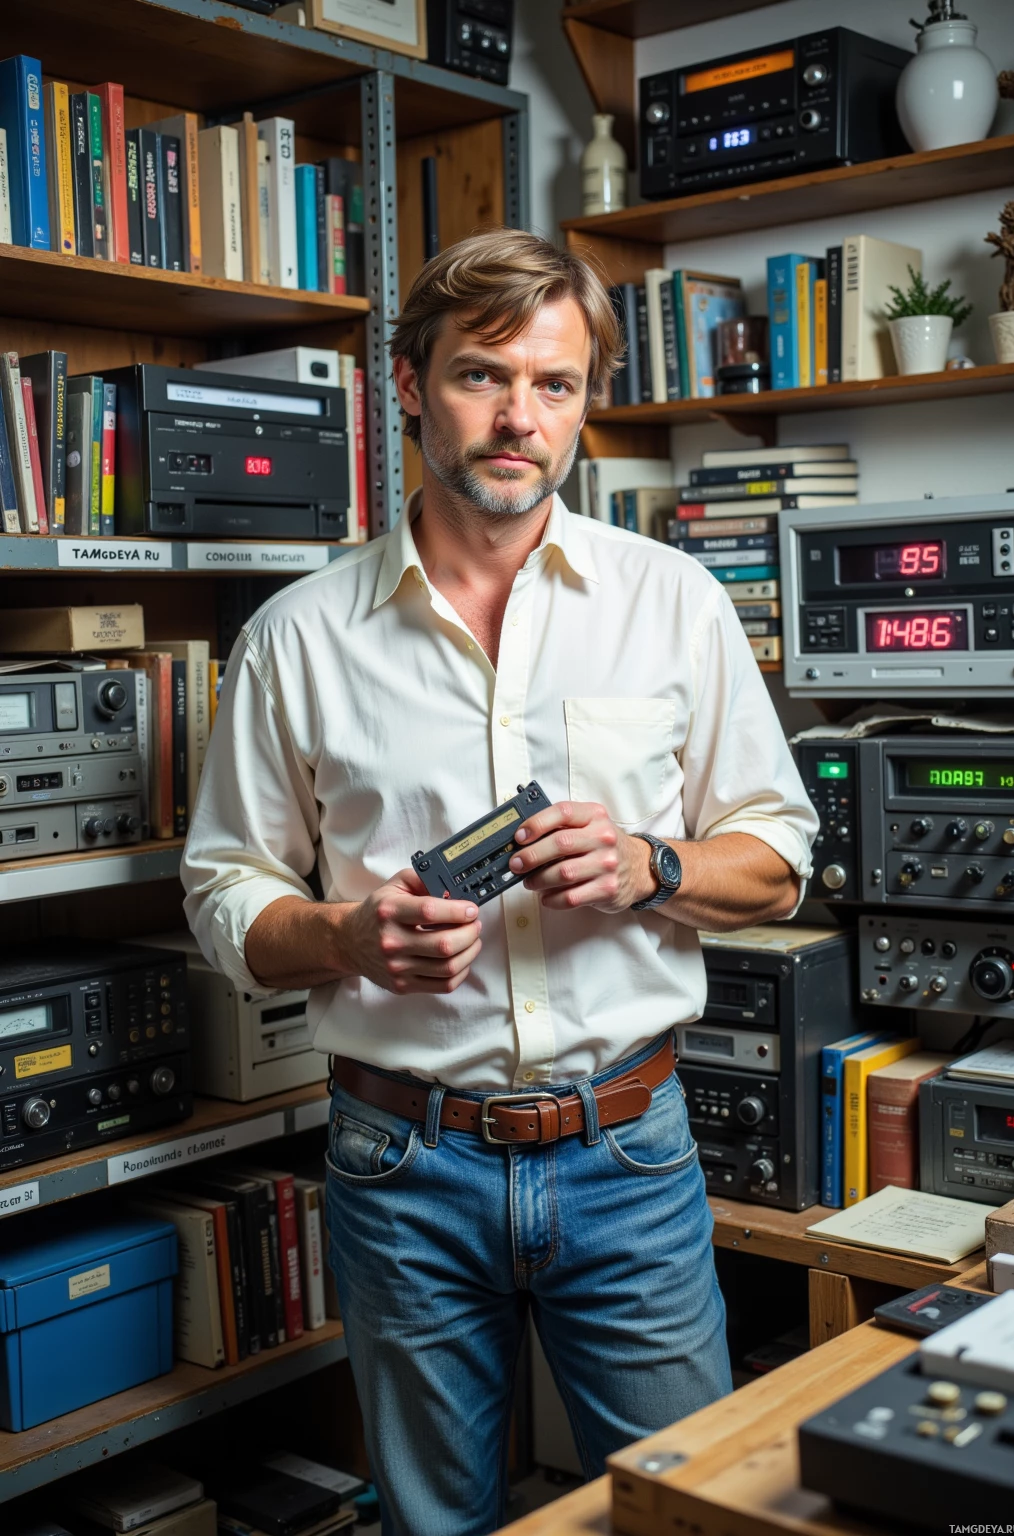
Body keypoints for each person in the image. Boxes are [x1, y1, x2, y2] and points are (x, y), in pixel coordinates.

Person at [181, 228, 818, 1536]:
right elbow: (222, 895)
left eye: (556, 384)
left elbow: (780, 859)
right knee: (435, 1525)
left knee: (692, 1511)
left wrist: (654, 866)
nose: (520, 417)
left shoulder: (676, 604)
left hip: (627, 1153)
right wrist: (351, 933)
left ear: (585, 402)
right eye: (483, 376)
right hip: (400, 1162)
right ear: (409, 382)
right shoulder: (296, 637)